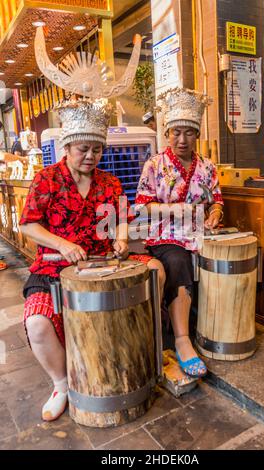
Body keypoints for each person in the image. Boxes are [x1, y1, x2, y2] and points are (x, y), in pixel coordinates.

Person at [19, 30, 165, 422]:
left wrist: (119, 239)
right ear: (66, 147)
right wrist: (63, 243)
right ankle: (62, 383)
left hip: (103, 261)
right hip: (54, 265)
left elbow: (120, 218)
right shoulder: (47, 179)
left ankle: (142, 358)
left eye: (96, 148)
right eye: (83, 148)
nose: (90, 155)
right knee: (36, 319)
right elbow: (29, 225)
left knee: (154, 271)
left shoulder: (110, 182)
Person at [135, 87, 224, 378]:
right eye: (176, 132)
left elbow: (216, 200)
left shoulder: (208, 167)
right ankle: (183, 341)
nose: (182, 139)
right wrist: (176, 210)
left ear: (197, 134)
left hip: (200, 235)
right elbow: (143, 206)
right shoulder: (155, 166)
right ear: (167, 133)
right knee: (176, 261)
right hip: (166, 238)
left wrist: (214, 214)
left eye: (188, 132)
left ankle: (217, 329)